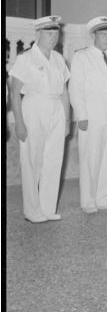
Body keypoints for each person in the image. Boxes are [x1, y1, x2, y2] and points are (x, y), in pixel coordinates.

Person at [9, 15, 70, 222]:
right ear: (38, 34)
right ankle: (31, 210)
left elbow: (64, 91)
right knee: (32, 161)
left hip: (56, 109)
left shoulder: (59, 59)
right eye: (48, 32)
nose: (53, 37)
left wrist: (67, 120)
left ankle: (47, 207)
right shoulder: (26, 58)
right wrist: (19, 122)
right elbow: (14, 92)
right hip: (34, 107)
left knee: (53, 160)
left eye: (56, 33)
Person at [69, 16, 107, 213]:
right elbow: (76, 89)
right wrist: (81, 115)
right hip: (91, 117)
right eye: (103, 34)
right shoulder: (81, 57)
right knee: (90, 158)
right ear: (93, 35)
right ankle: (88, 200)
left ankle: (103, 197)